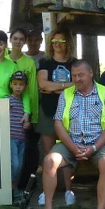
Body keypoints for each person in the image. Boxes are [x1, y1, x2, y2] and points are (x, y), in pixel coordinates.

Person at [34, 61, 105, 209]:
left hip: (99, 144)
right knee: (49, 161)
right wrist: (71, 147)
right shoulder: (66, 94)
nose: (77, 79)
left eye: (81, 75)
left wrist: (94, 148)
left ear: (91, 73)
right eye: (74, 75)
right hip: (71, 143)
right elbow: (58, 124)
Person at [36, 29, 76, 167]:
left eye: (61, 41)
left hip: (71, 112)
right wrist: (68, 86)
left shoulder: (74, 63)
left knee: (69, 149)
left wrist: (55, 88)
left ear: (68, 43)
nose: (57, 44)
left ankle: (67, 187)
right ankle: (52, 184)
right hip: (48, 110)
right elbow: (42, 83)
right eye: (54, 41)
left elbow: (80, 85)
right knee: (49, 150)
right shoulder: (45, 62)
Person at [9, 27, 40, 191]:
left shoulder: (29, 63)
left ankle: (23, 186)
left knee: (25, 154)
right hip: (8, 112)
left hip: (24, 114)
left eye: (21, 39)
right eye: (15, 38)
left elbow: (32, 90)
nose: (18, 42)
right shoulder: (5, 60)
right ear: (11, 39)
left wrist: (32, 115)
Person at [8, 71, 31, 201]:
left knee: (20, 164)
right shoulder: (8, 100)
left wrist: (28, 125)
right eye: (15, 84)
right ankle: (10, 189)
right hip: (11, 138)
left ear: (26, 86)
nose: (18, 87)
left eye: (21, 84)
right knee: (14, 164)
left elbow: (27, 122)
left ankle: (15, 190)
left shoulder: (25, 103)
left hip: (22, 138)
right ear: (11, 84)